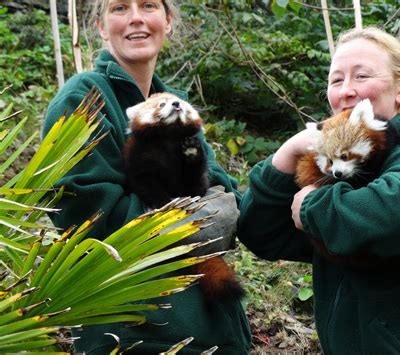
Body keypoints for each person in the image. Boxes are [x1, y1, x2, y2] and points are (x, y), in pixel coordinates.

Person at [237, 26, 400, 354]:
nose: (347, 90)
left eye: (361, 76)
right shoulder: (347, 171)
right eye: (336, 80)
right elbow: (262, 234)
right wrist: (288, 153)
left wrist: (312, 208)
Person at [42, 0, 250, 353]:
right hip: (136, 329)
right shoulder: (84, 97)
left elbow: (218, 182)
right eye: (120, 8)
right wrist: (180, 223)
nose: (136, 18)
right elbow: (84, 213)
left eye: (149, 5)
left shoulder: (171, 103)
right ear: (101, 27)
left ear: (167, 21)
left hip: (211, 323)